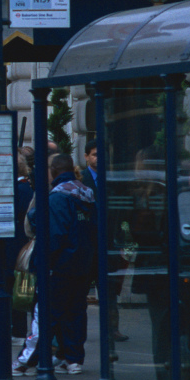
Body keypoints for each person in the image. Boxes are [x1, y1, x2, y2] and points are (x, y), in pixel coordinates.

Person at [37, 153, 96, 375]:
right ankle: (73, 358)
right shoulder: (87, 193)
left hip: (61, 265)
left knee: (52, 312)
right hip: (84, 262)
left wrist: (47, 261)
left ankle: (48, 357)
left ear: (53, 170)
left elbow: (56, 235)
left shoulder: (57, 198)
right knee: (76, 311)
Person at [78, 139, 127, 344]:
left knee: (109, 289)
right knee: (80, 289)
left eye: (102, 155)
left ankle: (112, 328)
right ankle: (78, 329)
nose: (99, 159)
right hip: (87, 244)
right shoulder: (81, 179)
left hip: (108, 243)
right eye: (95, 154)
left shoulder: (113, 179)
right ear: (87, 157)